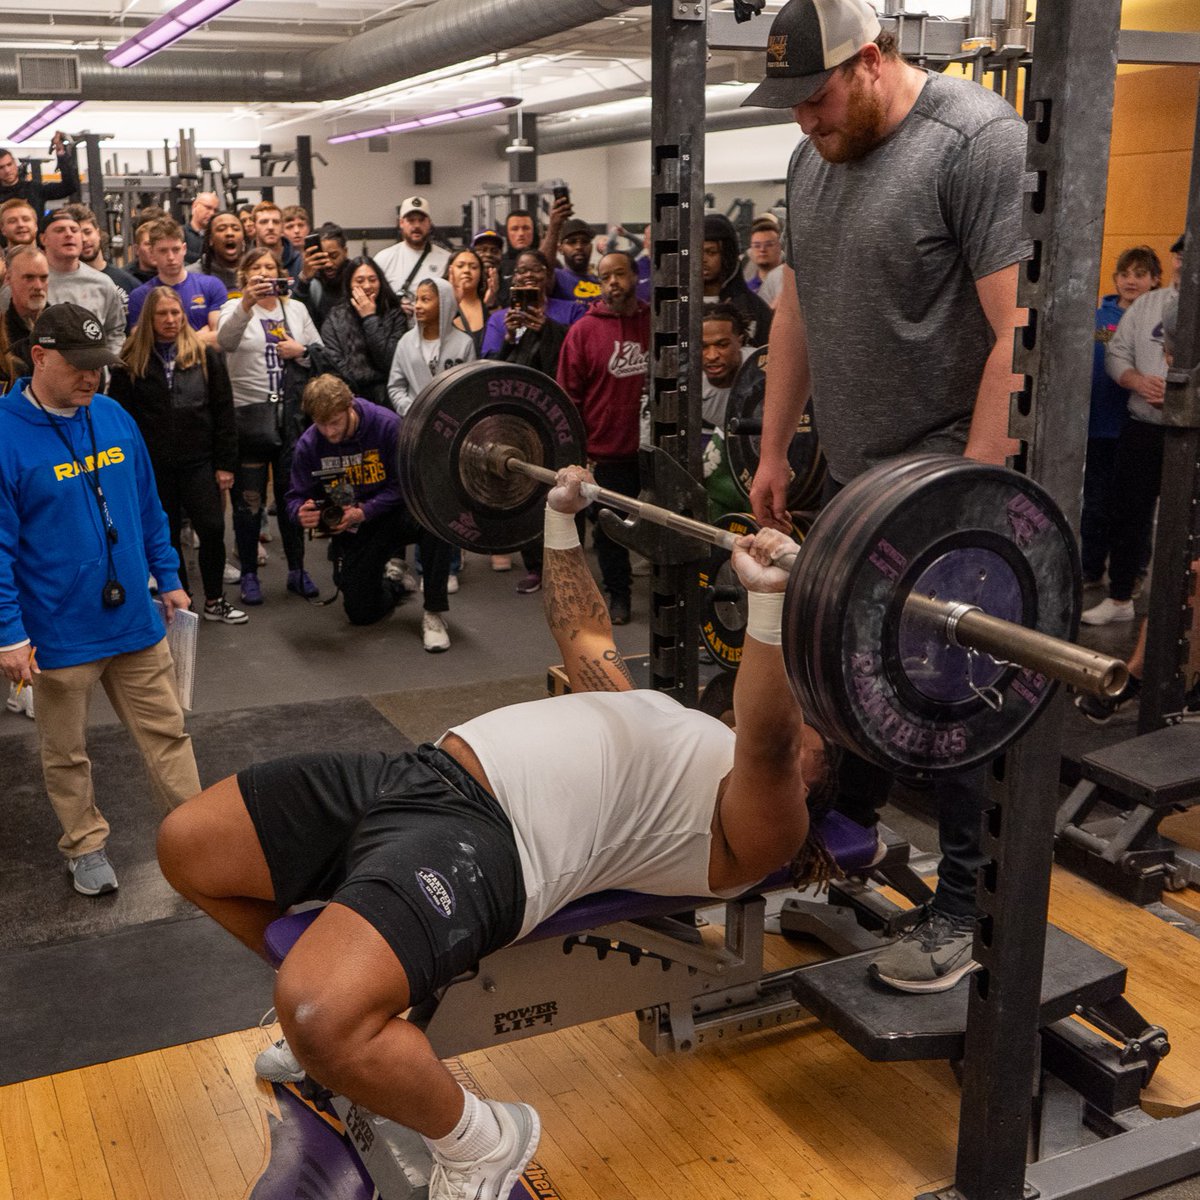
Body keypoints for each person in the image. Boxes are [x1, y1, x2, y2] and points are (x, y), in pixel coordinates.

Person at [156, 465, 817, 1200]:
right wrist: (560, 517)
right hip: (412, 774)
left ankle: (479, 1141)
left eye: (822, 737)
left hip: (491, 843)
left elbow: (770, 743)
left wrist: (768, 610)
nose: (810, 729)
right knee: (190, 845)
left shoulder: (758, 831)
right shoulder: (658, 712)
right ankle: (358, 1003)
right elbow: (584, 628)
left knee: (320, 1013)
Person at [744, 0, 1029, 993]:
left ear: (869, 61)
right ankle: (841, 856)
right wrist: (778, 448)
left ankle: (968, 909)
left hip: (951, 476)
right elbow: (799, 316)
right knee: (850, 674)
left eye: (816, 99)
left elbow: (1016, 332)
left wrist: (972, 494)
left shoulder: (976, 141)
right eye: (792, 108)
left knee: (953, 697)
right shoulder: (809, 160)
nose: (807, 124)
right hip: (863, 477)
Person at [0, 303, 200, 896]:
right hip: (58, 632)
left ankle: (201, 835)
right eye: (79, 366)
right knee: (67, 752)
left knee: (169, 734)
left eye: (99, 366)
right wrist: (10, 633)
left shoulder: (112, 417)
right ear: (39, 357)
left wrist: (169, 576)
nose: (93, 377)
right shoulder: (6, 435)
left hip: (135, 620)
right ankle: (84, 845)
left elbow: (146, 508)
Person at [286, 375, 453, 652]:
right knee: (360, 614)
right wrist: (299, 513)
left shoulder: (387, 426)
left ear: (350, 406)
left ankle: (434, 612)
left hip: (395, 513)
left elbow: (405, 485)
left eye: (335, 422)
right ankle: (394, 585)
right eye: (321, 424)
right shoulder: (309, 443)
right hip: (354, 526)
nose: (328, 432)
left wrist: (364, 511)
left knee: (436, 520)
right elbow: (294, 495)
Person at [109, 287, 246, 626]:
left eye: (176, 313)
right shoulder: (131, 361)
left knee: (213, 528)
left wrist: (226, 464)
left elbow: (224, 412)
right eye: (162, 315)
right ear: (149, 319)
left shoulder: (205, 355)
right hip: (154, 466)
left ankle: (215, 599)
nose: (170, 320)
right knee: (165, 535)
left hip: (200, 460)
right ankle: (181, 600)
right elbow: (120, 418)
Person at [1083, 235, 1185, 627]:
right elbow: (1116, 352)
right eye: (1181, 254)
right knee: (1127, 513)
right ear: (1174, 261)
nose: (1184, 261)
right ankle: (1121, 595)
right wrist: (1136, 381)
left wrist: (1185, 397)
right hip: (1143, 427)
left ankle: (1181, 612)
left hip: (1191, 434)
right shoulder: (1146, 305)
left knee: (1188, 524)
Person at [216, 246, 323, 606]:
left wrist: (301, 351)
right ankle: (248, 572)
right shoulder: (234, 308)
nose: (264, 274)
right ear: (245, 277)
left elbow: (319, 353)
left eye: (270, 267)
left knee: (293, 496)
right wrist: (246, 304)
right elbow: (225, 343)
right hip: (248, 416)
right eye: (256, 268)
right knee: (248, 503)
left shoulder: (296, 309)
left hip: (292, 415)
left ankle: (296, 569)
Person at [556, 250, 650, 627]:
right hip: (605, 453)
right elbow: (567, 398)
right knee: (610, 533)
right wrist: (579, 454)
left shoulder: (655, 323)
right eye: (606, 276)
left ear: (634, 277)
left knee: (658, 526)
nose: (614, 282)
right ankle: (619, 594)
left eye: (621, 274)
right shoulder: (583, 331)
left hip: (649, 451)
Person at [481, 248, 578, 590]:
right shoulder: (500, 318)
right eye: (521, 274)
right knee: (522, 489)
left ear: (548, 277)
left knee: (556, 488)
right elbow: (489, 368)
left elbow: (571, 362)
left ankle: (565, 563)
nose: (528, 278)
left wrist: (547, 329)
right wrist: (510, 337)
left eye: (535, 272)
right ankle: (535, 565)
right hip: (515, 416)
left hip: (552, 414)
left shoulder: (569, 311)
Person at [1079, 246, 1161, 589]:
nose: (1131, 280)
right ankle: (1090, 569)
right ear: (1115, 279)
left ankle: (1131, 573)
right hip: (1098, 429)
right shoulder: (1096, 317)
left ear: (1155, 281)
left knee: (1133, 508)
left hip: (1136, 429)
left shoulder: (1158, 322)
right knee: (1095, 502)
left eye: (1140, 275)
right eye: (1125, 274)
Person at [321, 256, 407, 409]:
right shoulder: (335, 317)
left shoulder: (395, 314)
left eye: (372, 280)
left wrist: (369, 318)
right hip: (349, 399)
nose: (367, 286)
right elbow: (333, 362)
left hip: (388, 397)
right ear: (349, 284)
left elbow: (390, 361)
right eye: (359, 281)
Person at [37, 209, 126, 353]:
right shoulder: (33, 280)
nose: (69, 234)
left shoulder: (102, 283)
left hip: (93, 371)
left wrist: (110, 365)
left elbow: (115, 331)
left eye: (74, 230)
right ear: (43, 239)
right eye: (59, 230)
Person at [386, 275, 475, 416]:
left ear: (443, 304)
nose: (417, 306)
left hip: (451, 420)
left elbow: (470, 389)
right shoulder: (406, 342)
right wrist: (410, 410)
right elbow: (396, 386)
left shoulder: (464, 343)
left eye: (425, 300)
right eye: (416, 299)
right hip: (413, 420)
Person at [127, 217, 228, 339]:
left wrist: (165, 339)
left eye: (176, 249)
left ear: (184, 249)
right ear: (152, 253)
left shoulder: (211, 286)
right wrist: (198, 338)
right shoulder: (140, 296)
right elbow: (142, 345)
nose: (170, 257)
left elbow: (221, 339)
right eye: (163, 251)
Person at [701, 214, 772, 347]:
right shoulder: (675, 304)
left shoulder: (752, 308)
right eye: (696, 253)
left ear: (727, 255)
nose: (702, 259)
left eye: (711, 252)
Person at [375, 197, 451, 317]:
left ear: (429, 223)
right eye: (411, 220)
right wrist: (394, 309)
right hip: (396, 331)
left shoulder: (446, 259)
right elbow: (374, 301)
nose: (416, 226)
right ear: (401, 223)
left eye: (421, 220)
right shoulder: (383, 259)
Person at [75, 207, 141, 317]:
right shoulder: (70, 285)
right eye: (77, 234)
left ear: (97, 232)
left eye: (88, 232)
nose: (84, 239)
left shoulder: (129, 283)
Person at [0, 133, 79, 214]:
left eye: (9, 164)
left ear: (15, 164)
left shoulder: (34, 189)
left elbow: (68, 188)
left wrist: (61, 154)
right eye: (1, 167)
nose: (7, 170)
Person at [292, 223, 351, 330]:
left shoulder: (357, 279)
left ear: (345, 252)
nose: (328, 264)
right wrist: (304, 280)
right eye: (321, 258)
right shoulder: (313, 285)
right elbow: (297, 320)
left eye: (334, 256)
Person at [4, 244, 50, 371]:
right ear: (8, 278)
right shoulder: (3, 334)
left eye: (43, 277)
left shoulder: (66, 324)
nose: (38, 286)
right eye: (29, 278)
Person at [444, 247, 492, 353]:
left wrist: (490, 306)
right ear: (450, 271)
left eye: (473, 267)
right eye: (460, 266)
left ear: (481, 274)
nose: (466, 270)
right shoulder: (441, 306)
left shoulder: (490, 305)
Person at [189, 209, 245, 294]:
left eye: (236, 229)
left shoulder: (256, 271)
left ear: (243, 238)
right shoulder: (193, 276)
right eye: (221, 229)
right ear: (210, 240)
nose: (229, 233)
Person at [549, 218, 602, 304]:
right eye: (572, 242)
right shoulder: (556, 277)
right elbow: (543, 263)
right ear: (560, 249)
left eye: (585, 241)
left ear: (591, 247)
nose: (579, 247)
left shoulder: (601, 282)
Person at [253, 201, 303, 280]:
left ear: (282, 226)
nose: (270, 227)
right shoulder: (245, 262)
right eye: (264, 222)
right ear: (254, 227)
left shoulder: (300, 262)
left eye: (276, 222)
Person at [746, 216, 786, 307]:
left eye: (769, 245)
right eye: (757, 245)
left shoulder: (791, 281)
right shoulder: (747, 290)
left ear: (780, 247)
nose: (762, 250)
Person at [470, 228, 505, 308]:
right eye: (482, 250)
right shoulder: (466, 287)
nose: (488, 255)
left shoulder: (510, 289)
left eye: (494, 251)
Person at [183, 191, 221, 262]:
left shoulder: (218, 236)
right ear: (194, 206)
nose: (212, 213)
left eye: (215, 210)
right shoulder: (180, 233)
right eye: (208, 207)